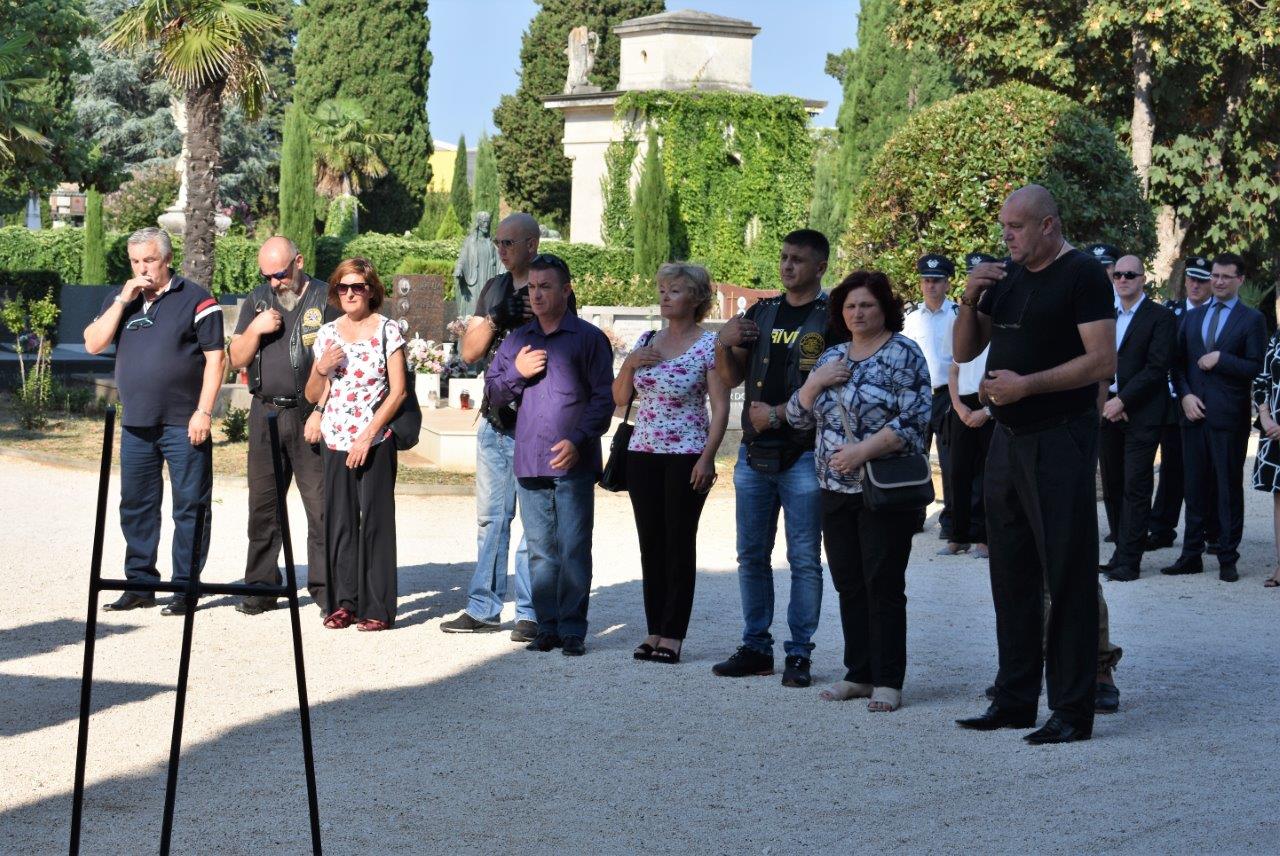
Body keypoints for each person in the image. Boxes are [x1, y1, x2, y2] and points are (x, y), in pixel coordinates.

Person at [953, 185, 1116, 744]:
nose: (1006, 237)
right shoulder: (1008, 274)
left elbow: (1101, 360)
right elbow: (964, 353)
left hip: (1060, 437)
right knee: (1011, 571)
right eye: (1003, 227)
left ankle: (1072, 710)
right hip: (1008, 438)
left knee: (1066, 572)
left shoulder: (1083, 276)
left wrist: (1027, 385)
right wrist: (970, 299)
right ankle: (1016, 698)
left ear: (1048, 225)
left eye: (1016, 228)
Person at [787, 271, 930, 712]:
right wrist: (814, 383)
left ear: (884, 307)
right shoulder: (831, 356)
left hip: (883, 488)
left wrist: (862, 452)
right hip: (834, 487)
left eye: (866, 304)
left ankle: (889, 680)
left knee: (883, 582)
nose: (857, 312)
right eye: (850, 306)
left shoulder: (903, 353)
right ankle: (859, 673)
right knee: (848, 582)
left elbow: (916, 418)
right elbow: (796, 418)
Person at [711, 229, 837, 689]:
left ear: (820, 266)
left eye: (798, 260)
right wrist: (723, 343)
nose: (787, 266)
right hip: (753, 453)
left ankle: (799, 654)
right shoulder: (761, 312)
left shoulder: (833, 318)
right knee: (750, 556)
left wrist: (783, 416)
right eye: (783, 257)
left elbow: (841, 386)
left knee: (804, 558)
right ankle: (756, 647)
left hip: (805, 452)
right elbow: (730, 377)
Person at [84, 227, 224, 615]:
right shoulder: (123, 299)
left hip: (185, 423)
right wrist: (121, 301)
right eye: (135, 262)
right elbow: (93, 343)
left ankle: (185, 587)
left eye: (148, 260)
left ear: (166, 259)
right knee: (137, 505)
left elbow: (216, 359)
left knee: (190, 505)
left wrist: (204, 411)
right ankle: (140, 583)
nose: (142, 268)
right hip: (137, 424)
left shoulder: (197, 299)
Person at [484, 253, 614, 656]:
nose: (536, 295)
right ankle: (548, 626)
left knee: (574, 547)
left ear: (566, 290)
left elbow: (602, 401)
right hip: (529, 460)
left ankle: (574, 629)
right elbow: (492, 394)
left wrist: (577, 440)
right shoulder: (517, 341)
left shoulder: (589, 339)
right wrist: (516, 373)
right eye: (532, 288)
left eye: (545, 287)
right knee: (540, 551)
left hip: (572, 461)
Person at [613, 263, 729, 664]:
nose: (665, 296)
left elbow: (721, 407)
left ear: (697, 298)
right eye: (662, 289)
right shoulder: (647, 339)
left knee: (679, 543)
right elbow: (619, 399)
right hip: (642, 454)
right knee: (651, 545)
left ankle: (674, 635)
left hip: (686, 456)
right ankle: (653, 630)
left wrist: (708, 457)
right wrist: (629, 364)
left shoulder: (708, 345)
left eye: (675, 290)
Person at [441, 212, 548, 642]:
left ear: (532, 245)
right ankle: (484, 607)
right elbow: (469, 351)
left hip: (535, 423)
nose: (500, 250)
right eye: (499, 242)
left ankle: (530, 611)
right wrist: (497, 317)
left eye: (509, 243)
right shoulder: (495, 287)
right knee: (491, 519)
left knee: (535, 523)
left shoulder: (548, 282)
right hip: (495, 421)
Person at [227, 236, 339, 615]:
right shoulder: (257, 300)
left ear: (299, 261)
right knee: (262, 506)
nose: (276, 283)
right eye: (268, 276)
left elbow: (341, 364)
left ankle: (327, 591)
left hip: (310, 415)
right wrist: (255, 329)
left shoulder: (328, 299)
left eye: (281, 273)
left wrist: (321, 411)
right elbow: (236, 358)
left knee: (320, 507)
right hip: (265, 414)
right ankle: (261, 586)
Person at [304, 258, 407, 631]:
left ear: (371, 290)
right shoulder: (328, 333)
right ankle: (342, 603)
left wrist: (367, 435)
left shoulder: (387, 330)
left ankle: (377, 606)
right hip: (334, 438)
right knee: (340, 522)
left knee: (376, 522)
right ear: (335, 291)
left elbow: (398, 392)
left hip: (374, 439)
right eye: (343, 288)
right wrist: (320, 368)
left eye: (358, 287)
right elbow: (314, 393)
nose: (350, 293)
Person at [1163, 252, 1266, 583]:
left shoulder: (1251, 320)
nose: (1218, 281)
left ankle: (1226, 556)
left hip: (1228, 417)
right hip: (1192, 414)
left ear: (1239, 280)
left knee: (1226, 488)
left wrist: (1222, 358)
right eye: (1215, 276)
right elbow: (1176, 364)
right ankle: (1190, 554)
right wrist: (1185, 397)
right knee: (1193, 486)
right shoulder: (1192, 319)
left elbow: (1256, 367)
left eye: (1225, 276)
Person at [1097, 255, 1176, 582]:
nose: (1123, 279)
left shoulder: (1159, 317)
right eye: (1118, 274)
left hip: (1141, 412)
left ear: (1143, 278)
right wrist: (1106, 401)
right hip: (1106, 408)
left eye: (1130, 274)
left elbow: (1157, 368)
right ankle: (1120, 549)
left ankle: (1131, 560)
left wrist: (1124, 400)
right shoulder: (1105, 316)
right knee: (1112, 483)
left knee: (1136, 485)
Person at [1148, 255, 1216, 551]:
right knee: (1172, 467)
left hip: (1207, 402)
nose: (1195, 285)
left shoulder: (1218, 315)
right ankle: (1162, 528)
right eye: (1191, 278)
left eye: (1202, 280)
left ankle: (1213, 530)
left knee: (1209, 469)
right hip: (1172, 401)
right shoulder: (1170, 312)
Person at [902, 253, 958, 544]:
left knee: (950, 460)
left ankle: (951, 521)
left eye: (937, 281)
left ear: (947, 284)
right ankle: (914, 515)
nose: (931, 286)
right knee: (915, 457)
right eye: (926, 281)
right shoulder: (910, 320)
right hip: (917, 397)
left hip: (946, 397)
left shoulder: (958, 316)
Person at [946, 252, 998, 560]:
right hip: (961, 404)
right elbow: (952, 368)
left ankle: (985, 538)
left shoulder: (1000, 320)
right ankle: (958, 536)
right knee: (958, 473)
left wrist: (986, 411)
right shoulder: (958, 319)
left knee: (989, 476)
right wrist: (959, 408)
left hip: (992, 405)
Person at [1251, 287, 1280, 588]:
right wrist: (1265, 415)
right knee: (1279, 498)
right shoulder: (1278, 336)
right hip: (1273, 429)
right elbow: (1263, 379)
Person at [453, 210, 503, 317]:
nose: (486, 225)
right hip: (474, 282)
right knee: (474, 308)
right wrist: (459, 269)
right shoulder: (470, 242)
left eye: (488, 222)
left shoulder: (491, 244)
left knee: (488, 309)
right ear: (478, 223)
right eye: (484, 222)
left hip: (488, 281)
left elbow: (501, 262)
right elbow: (462, 258)